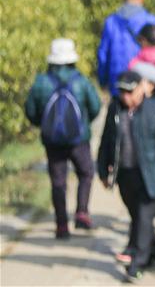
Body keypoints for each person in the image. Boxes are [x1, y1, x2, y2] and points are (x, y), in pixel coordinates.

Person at [97, 69, 155, 281]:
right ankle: (154, 248)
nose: (126, 97)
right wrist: (102, 168)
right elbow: (106, 140)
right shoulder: (115, 109)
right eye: (122, 92)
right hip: (126, 175)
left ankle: (137, 262)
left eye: (130, 92)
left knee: (144, 217)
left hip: (152, 175)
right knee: (137, 216)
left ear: (140, 89)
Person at [24, 38, 101, 239]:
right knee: (86, 173)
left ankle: (61, 225)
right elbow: (95, 107)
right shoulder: (81, 81)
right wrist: (82, 124)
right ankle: (82, 212)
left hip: (52, 142)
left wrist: (46, 126)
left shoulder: (41, 82)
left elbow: (31, 111)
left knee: (58, 182)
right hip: (79, 139)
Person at [97, 0, 155, 96]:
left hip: (117, 82)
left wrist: (103, 81)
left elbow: (103, 55)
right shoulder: (151, 21)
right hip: (145, 83)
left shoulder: (111, 22)